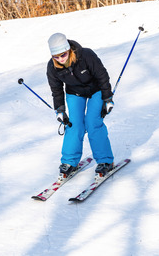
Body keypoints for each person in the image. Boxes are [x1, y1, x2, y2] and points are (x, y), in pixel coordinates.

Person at [46, 33, 115, 178]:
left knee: (93, 123)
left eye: (63, 55)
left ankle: (105, 161)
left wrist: (107, 98)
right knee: (74, 124)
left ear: (68, 49)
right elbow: (56, 90)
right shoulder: (52, 67)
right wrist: (60, 110)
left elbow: (102, 76)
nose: (60, 59)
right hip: (75, 93)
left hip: (96, 90)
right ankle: (70, 162)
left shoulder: (86, 55)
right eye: (56, 57)